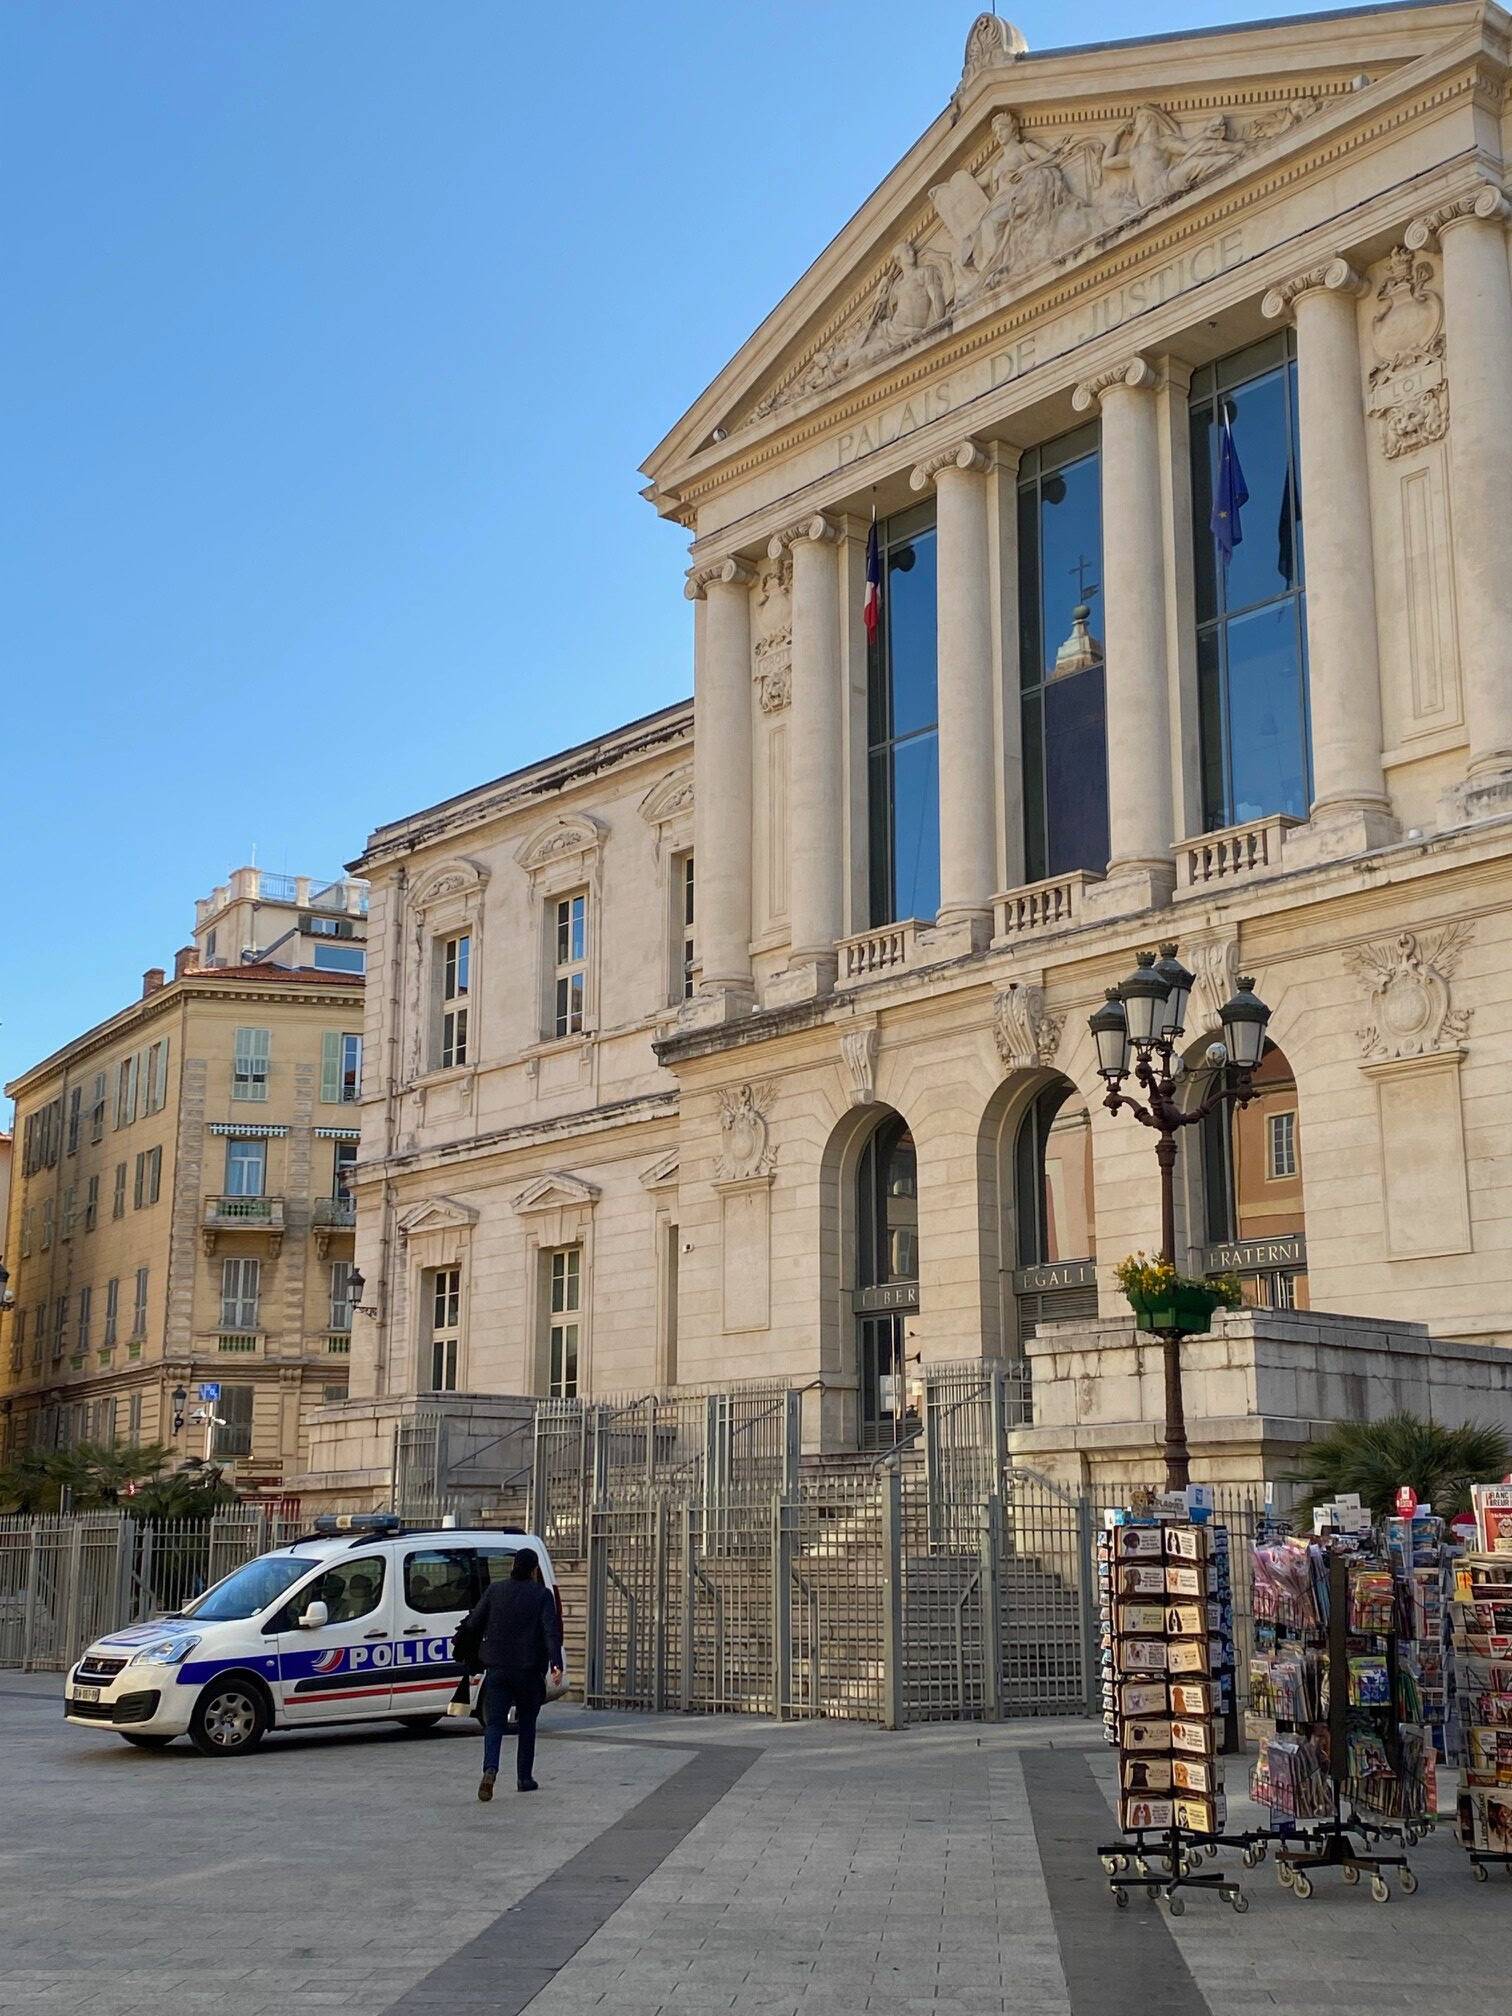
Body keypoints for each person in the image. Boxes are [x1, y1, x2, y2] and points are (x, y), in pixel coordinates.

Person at [454, 1548, 563, 1801]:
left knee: (494, 1724)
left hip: (498, 1669)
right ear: (534, 1570)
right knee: (526, 1724)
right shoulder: (542, 1595)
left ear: (513, 1566)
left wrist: (470, 1654)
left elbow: (473, 1622)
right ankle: (524, 1778)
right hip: (529, 1671)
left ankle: (490, 1769)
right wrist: (556, 1663)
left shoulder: (496, 1590)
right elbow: (550, 1631)